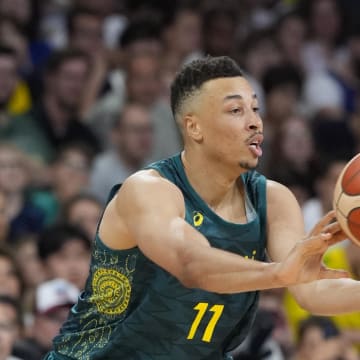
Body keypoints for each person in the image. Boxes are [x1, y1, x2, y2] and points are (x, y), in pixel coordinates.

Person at [45, 56, 356, 360]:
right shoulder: (148, 190)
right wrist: (277, 273)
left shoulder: (273, 199)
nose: (254, 122)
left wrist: (290, 274)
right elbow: (189, 263)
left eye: (255, 108)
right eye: (236, 110)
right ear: (194, 128)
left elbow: (309, 288)